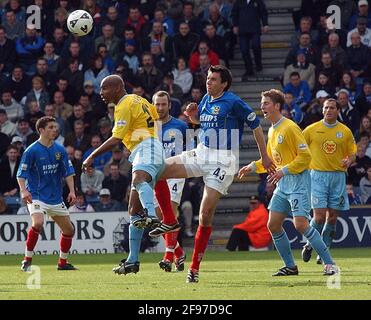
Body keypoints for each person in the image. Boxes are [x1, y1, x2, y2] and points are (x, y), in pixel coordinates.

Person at [153, 65, 275, 283]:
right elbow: (207, 125)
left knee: (206, 213)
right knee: (157, 170)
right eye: (208, 78)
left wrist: (264, 157)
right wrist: (193, 117)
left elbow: (255, 125)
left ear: (224, 83)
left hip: (224, 159)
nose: (208, 82)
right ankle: (170, 222)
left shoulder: (234, 101)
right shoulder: (206, 101)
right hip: (202, 152)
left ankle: (194, 268)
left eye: (213, 79)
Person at [238, 89, 339, 276]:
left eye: (266, 103)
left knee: (300, 224)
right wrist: (251, 167)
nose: (262, 106)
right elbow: (270, 161)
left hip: (298, 183)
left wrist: (283, 171)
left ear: (277, 106)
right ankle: (291, 266)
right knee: (273, 224)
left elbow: (305, 157)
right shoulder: (272, 130)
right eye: (262, 103)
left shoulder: (290, 127)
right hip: (283, 185)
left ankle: (330, 264)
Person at [82, 75, 176, 275]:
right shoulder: (140, 99)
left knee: (138, 180)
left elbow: (116, 138)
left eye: (104, 88)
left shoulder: (123, 105)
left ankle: (151, 215)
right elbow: (156, 119)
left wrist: (91, 156)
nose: (101, 93)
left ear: (116, 88)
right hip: (150, 150)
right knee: (133, 210)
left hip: (146, 149)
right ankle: (132, 260)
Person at [16, 116, 77, 271]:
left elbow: (68, 172)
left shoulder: (60, 149)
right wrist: (23, 190)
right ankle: (27, 260)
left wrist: (71, 191)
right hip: (36, 196)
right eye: (50, 127)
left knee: (69, 230)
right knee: (38, 223)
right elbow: (20, 173)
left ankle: (62, 263)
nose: (54, 130)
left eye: (55, 127)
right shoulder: (31, 150)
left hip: (55, 198)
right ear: (41, 130)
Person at [301, 98, 357, 264]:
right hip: (317, 176)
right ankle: (310, 244)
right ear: (322, 110)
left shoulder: (345, 131)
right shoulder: (311, 130)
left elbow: (352, 153)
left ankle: (324, 250)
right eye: (326, 108)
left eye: (332, 108)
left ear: (338, 110)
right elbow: (299, 148)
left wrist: (350, 160)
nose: (328, 110)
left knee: (332, 217)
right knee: (318, 217)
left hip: (338, 177)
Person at [152, 90, 188, 272]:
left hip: (175, 172)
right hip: (156, 176)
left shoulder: (181, 126)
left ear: (169, 105)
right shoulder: (148, 127)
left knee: (170, 214)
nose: (160, 107)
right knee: (160, 217)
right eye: (157, 104)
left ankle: (167, 256)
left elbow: (191, 150)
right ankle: (179, 252)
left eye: (163, 104)